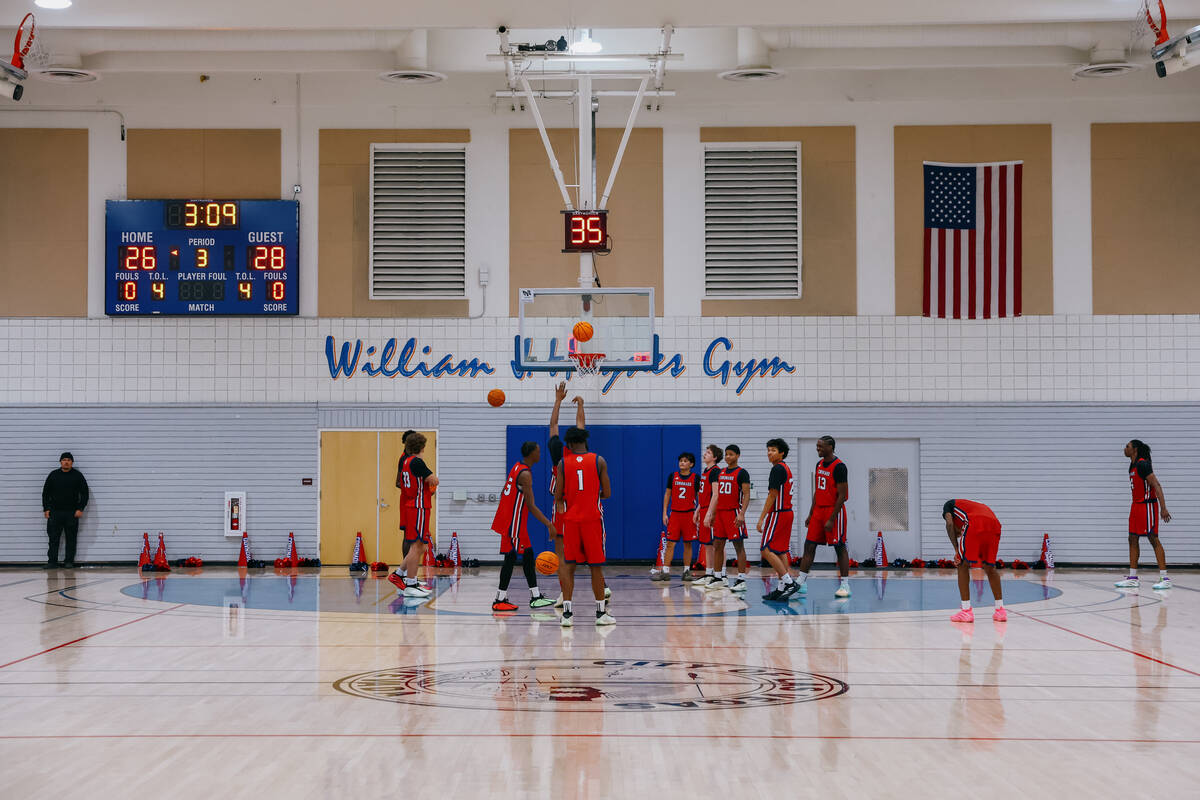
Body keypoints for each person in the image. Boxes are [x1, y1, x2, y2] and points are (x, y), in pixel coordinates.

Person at [547, 383, 609, 606]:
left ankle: (566, 598)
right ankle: (602, 588)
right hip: (587, 508)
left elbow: (553, 424)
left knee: (564, 558)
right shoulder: (589, 457)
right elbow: (581, 424)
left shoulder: (558, 454)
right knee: (594, 556)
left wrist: (557, 400)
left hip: (563, 509)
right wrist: (581, 405)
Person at [554, 426, 614, 626]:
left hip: (571, 521)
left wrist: (567, 508)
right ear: (585, 441)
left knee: (569, 566)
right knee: (595, 567)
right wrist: (591, 496)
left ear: (569, 444)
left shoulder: (563, 463)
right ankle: (600, 614)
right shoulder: (599, 460)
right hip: (592, 520)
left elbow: (558, 496)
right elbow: (607, 493)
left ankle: (567, 615)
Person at [491, 441, 557, 612]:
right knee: (511, 558)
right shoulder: (525, 474)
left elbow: (505, 492)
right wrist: (549, 524)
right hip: (513, 523)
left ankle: (535, 596)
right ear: (531, 454)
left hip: (512, 521)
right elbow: (531, 505)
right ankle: (499, 599)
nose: (540, 454)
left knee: (527, 556)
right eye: (538, 451)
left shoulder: (517, 467)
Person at [795, 436, 851, 598]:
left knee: (839, 547)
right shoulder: (819, 464)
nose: (817, 449)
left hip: (834, 511)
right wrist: (811, 513)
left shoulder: (839, 467)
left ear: (830, 447)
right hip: (818, 511)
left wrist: (832, 518)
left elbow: (842, 496)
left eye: (820, 446)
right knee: (809, 546)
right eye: (817, 446)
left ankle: (845, 585)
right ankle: (801, 582)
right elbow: (817, 490)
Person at [1116, 439, 1172, 590]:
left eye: (1127, 446)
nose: (1124, 449)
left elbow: (1156, 485)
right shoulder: (1132, 465)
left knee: (1153, 538)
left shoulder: (1142, 464)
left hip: (1147, 506)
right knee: (1132, 538)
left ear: (1134, 449)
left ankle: (1165, 578)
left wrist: (1163, 508)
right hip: (1136, 506)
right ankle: (1133, 577)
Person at [387, 433, 437, 598]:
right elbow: (433, 480)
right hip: (419, 506)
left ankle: (400, 573)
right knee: (417, 546)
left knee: (422, 546)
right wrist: (432, 484)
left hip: (412, 505)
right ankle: (411, 583)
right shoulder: (417, 462)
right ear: (422, 447)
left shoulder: (406, 461)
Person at [943, 499, 1006, 622]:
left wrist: (956, 550)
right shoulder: (971, 506)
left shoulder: (948, 505)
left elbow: (950, 524)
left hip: (975, 522)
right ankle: (1000, 611)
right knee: (990, 567)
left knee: (962, 564)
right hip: (994, 524)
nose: (959, 535)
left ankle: (966, 611)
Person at [703, 444, 751, 592]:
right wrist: (712, 514)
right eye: (726, 454)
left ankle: (741, 578)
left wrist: (742, 513)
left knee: (738, 546)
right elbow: (716, 496)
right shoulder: (721, 472)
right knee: (717, 545)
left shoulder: (742, 473)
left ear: (737, 456)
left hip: (733, 513)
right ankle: (718, 577)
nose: (728, 457)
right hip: (721, 514)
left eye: (731, 454)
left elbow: (747, 494)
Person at [758, 439, 798, 601]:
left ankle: (789, 583)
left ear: (782, 453)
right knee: (780, 551)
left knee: (765, 549)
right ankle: (781, 588)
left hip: (779, 513)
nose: (769, 453)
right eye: (768, 450)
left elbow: (772, 495)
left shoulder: (777, 469)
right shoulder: (786, 468)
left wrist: (761, 518)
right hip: (787, 512)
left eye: (773, 450)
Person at [654, 452, 702, 582]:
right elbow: (667, 495)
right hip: (675, 514)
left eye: (685, 461)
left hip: (689, 515)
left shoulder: (696, 478)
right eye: (681, 460)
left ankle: (686, 571)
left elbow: (700, 498)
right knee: (670, 544)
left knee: (688, 544)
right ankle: (665, 571)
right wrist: (664, 513)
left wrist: (698, 513)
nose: (682, 463)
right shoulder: (673, 476)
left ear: (691, 464)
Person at [42, 452, 89, 569]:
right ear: (60, 462)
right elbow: (45, 493)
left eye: (69, 460)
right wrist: (46, 509)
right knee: (53, 538)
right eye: (64, 460)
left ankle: (69, 561)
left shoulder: (77, 476)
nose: (66, 462)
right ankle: (52, 562)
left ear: (72, 462)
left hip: (71, 513)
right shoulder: (53, 475)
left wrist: (80, 508)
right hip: (55, 512)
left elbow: (85, 493)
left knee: (71, 538)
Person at [691, 445, 723, 587]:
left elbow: (716, 495)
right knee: (707, 544)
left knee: (717, 544)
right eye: (705, 451)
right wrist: (698, 510)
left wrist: (709, 513)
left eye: (708, 452)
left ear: (715, 457)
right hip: (704, 508)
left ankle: (721, 574)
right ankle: (709, 573)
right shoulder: (705, 471)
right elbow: (704, 495)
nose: (705, 454)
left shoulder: (715, 471)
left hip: (711, 511)